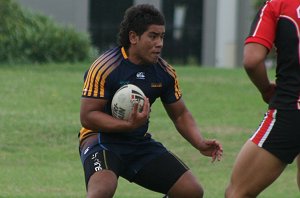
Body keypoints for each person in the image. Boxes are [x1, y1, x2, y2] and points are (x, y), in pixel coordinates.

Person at [78, 4, 223, 198]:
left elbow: (180, 114)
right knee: (100, 192)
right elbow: (88, 116)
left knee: (191, 191)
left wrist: (199, 142)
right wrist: (126, 124)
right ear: (133, 37)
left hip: (137, 143)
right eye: (153, 36)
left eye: (162, 36)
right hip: (100, 140)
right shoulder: (105, 67)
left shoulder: (164, 73)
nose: (160, 43)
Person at [225, 0, 300, 197]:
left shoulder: (279, 5)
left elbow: (252, 60)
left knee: (237, 192)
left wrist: (266, 89)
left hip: (292, 110)